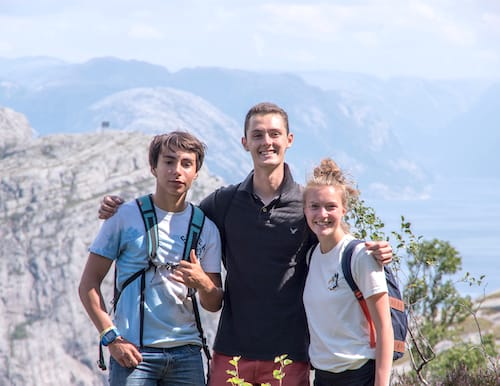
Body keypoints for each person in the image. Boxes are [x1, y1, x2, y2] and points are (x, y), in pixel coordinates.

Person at [98, 102, 393, 386]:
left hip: (289, 356)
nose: (267, 141)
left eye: (274, 134)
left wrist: (374, 249)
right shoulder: (223, 202)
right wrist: (125, 211)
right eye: (257, 135)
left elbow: (335, 237)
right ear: (244, 142)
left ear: (289, 140)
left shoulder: (306, 204)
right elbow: (176, 215)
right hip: (232, 350)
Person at [79, 131, 223, 386]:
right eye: (168, 162)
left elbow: (213, 303)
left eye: (186, 164)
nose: (176, 171)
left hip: (187, 354)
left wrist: (203, 283)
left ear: (196, 172)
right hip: (133, 353)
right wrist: (110, 338)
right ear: (153, 168)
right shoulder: (124, 217)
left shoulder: (206, 228)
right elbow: (88, 284)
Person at [303, 158, 393, 386]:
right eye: (314, 206)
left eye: (330, 206)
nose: (322, 214)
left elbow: (384, 329)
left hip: (359, 375)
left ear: (343, 209)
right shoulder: (311, 256)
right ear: (305, 210)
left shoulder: (360, 256)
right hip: (322, 377)